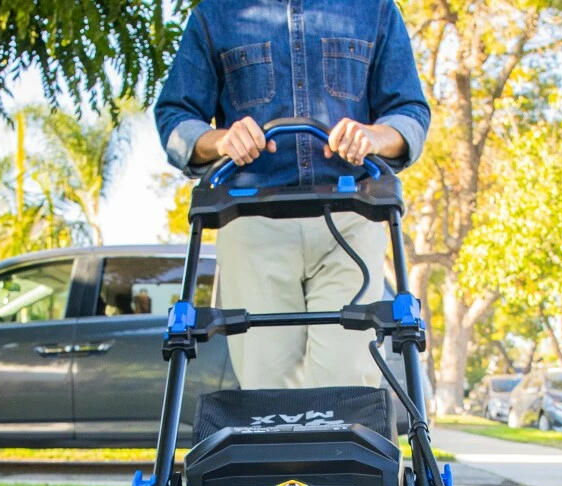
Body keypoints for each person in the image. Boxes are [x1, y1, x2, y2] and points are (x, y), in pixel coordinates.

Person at [154, 0, 429, 390]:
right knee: (266, 389)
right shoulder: (215, 15)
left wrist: (374, 136)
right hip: (252, 221)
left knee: (347, 381)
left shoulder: (375, 9)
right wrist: (222, 140)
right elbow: (176, 118)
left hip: (349, 219)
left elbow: (409, 110)